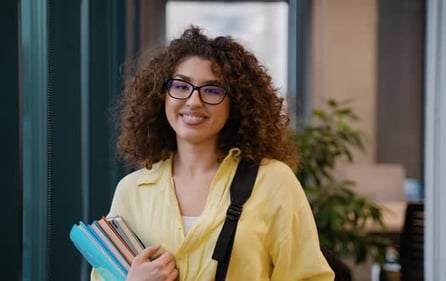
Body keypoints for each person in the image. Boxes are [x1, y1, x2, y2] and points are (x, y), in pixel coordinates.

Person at [91, 25, 335, 281]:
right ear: (161, 95)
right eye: (181, 86)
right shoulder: (132, 191)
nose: (194, 101)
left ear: (236, 103)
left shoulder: (273, 181)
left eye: (212, 90)